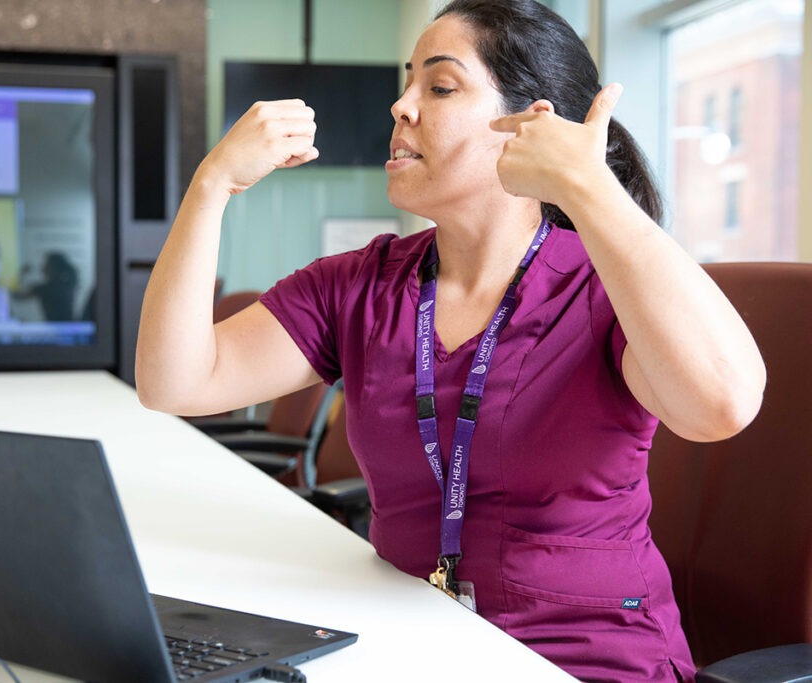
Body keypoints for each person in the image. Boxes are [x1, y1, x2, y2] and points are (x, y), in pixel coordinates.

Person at [135, 1, 766, 680]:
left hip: (584, 661)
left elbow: (721, 404)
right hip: (412, 646)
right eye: (408, 83)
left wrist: (591, 190)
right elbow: (175, 380)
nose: (400, 106)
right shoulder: (359, 286)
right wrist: (212, 186)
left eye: (438, 87)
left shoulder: (606, 285)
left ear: (529, 125)